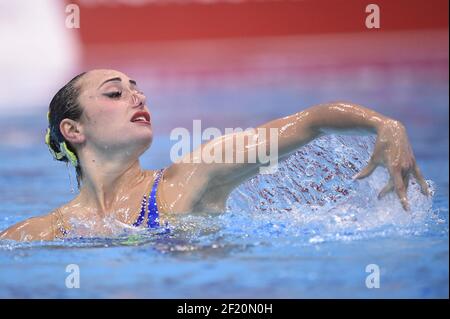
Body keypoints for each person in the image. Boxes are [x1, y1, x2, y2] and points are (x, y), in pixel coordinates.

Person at [0, 69, 430, 241]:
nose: (137, 95)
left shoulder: (188, 179)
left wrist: (385, 125)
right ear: (72, 131)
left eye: (136, 88)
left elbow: (310, 121)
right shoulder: (43, 231)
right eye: (116, 93)